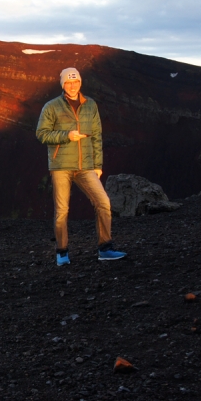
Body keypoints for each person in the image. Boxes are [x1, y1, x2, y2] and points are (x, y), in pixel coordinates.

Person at [36, 67, 126, 265]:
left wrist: (98, 165)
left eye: (76, 81)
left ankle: (105, 248)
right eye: (68, 82)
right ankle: (62, 252)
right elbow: (41, 134)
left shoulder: (90, 105)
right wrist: (66, 136)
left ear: (80, 83)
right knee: (62, 210)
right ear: (63, 84)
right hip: (61, 165)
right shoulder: (51, 107)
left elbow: (96, 136)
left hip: (86, 165)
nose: (73, 85)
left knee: (103, 202)